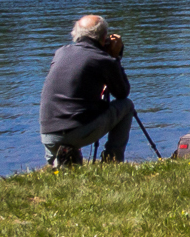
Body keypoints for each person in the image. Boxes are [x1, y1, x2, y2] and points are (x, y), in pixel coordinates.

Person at [39, 14, 134, 167]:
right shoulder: (102, 59)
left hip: (48, 135)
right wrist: (115, 58)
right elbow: (122, 93)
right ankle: (112, 161)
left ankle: (62, 161)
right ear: (104, 38)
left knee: (63, 169)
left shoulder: (60, 52)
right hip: (75, 134)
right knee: (126, 105)